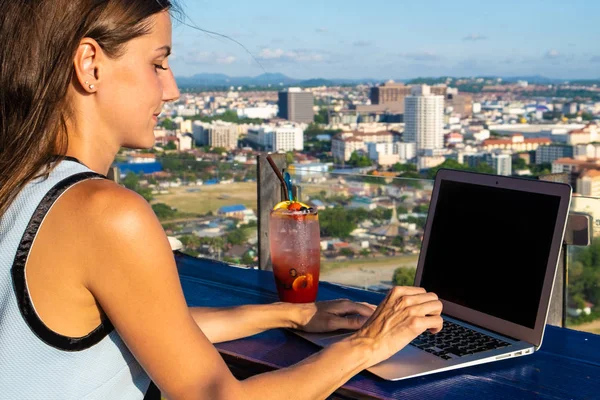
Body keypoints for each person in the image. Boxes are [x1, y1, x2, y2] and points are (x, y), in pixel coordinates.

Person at [0, 1, 443, 399]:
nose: (171, 90)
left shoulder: (22, 183)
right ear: (90, 63)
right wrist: (369, 343)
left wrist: (290, 316)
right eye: (158, 64)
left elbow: (157, 328)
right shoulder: (105, 213)